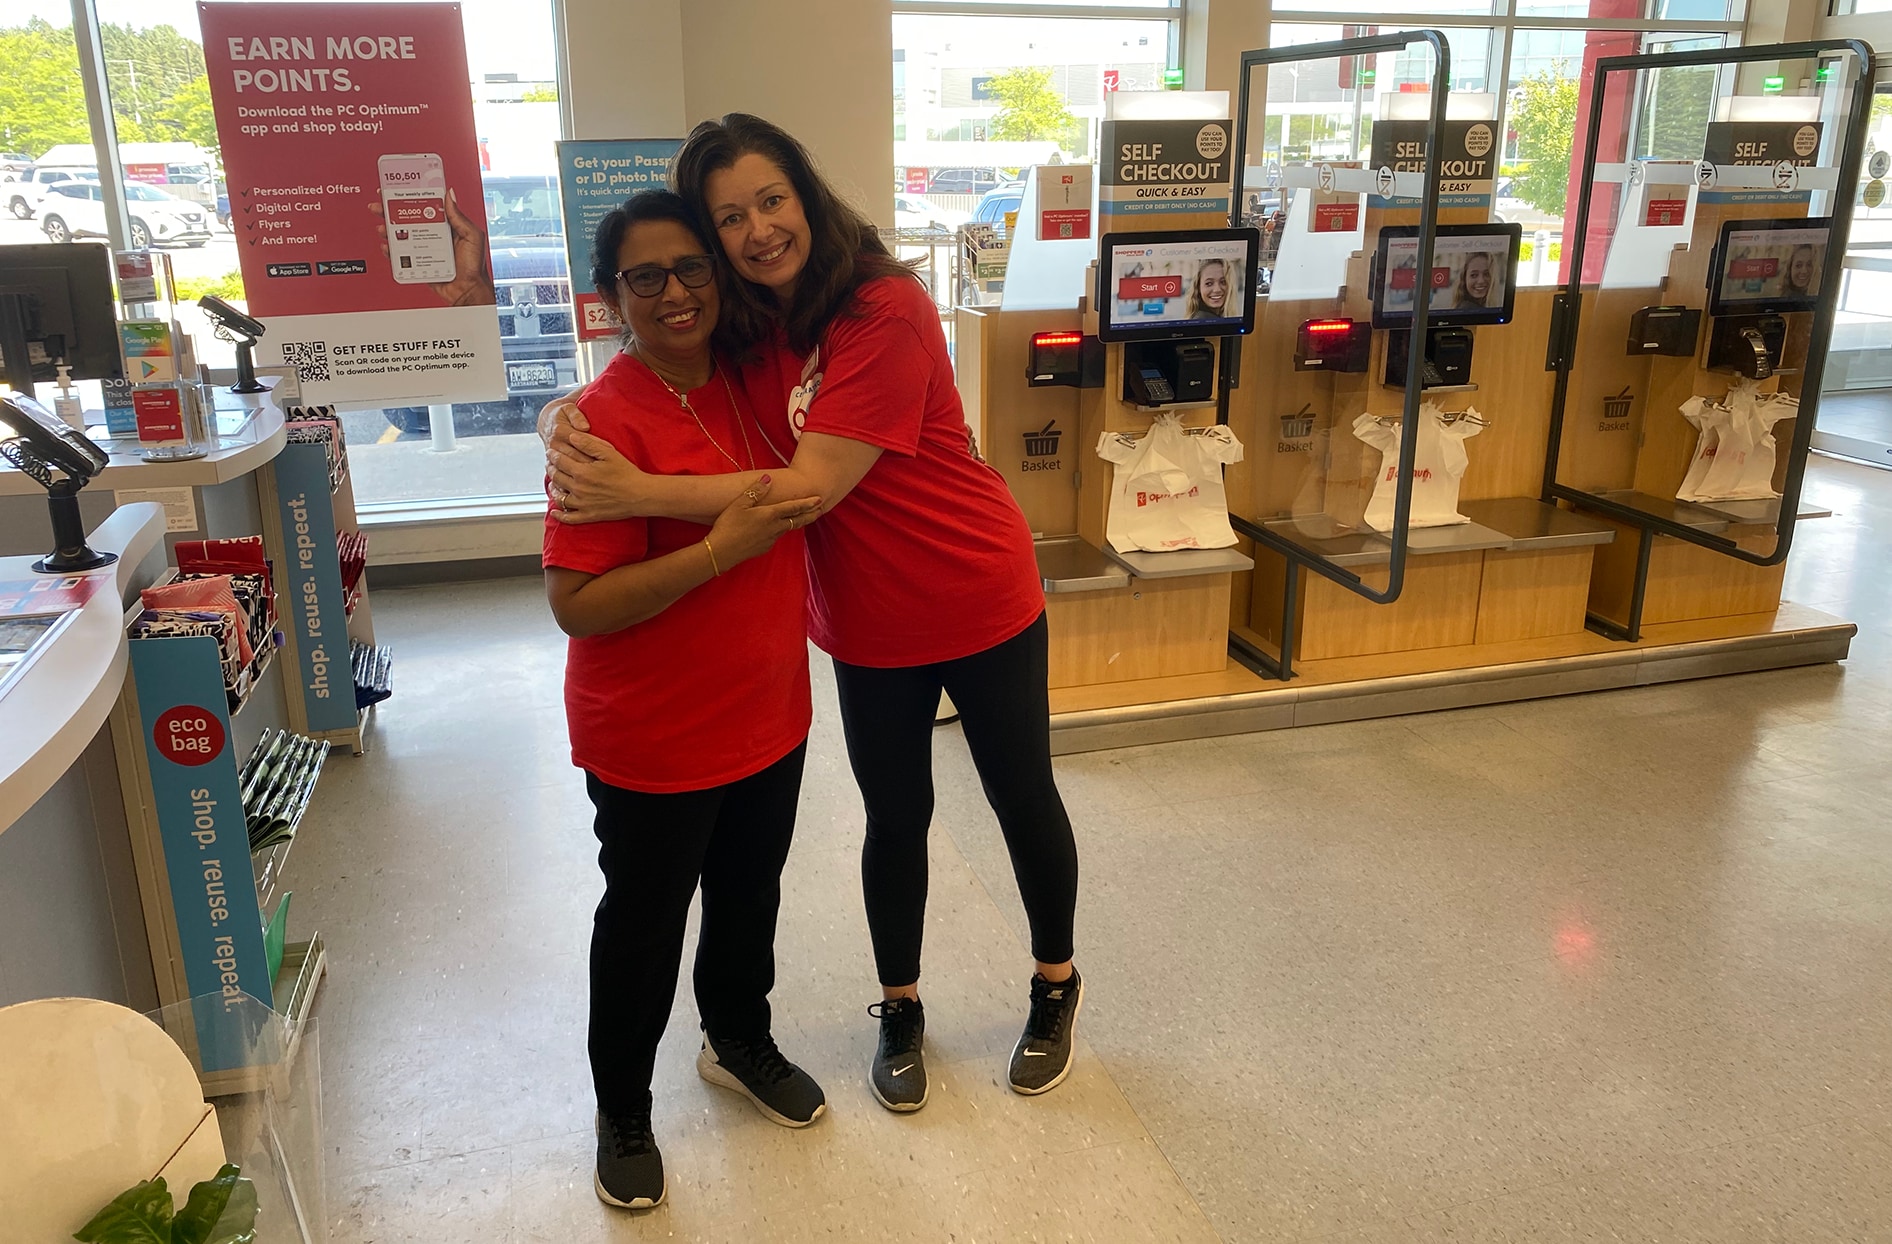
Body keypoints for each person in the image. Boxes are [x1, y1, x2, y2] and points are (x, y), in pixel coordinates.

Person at [545, 113, 1084, 1115]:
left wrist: (636, 492)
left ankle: (1053, 983)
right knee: (896, 815)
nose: (756, 230)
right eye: (730, 217)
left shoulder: (881, 307)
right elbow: (672, 388)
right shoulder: (754, 331)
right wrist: (566, 413)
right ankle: (898, 1006)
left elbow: (800, 491)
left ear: (807, 193)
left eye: (770, 200)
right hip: (864, 616)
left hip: (976, 588)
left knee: (1019, 794)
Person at [542, 190, 827, 1210]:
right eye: (644, 276)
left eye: (690, 267)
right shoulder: (598, 424)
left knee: (749, 895)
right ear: (610, 296)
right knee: (645, 921)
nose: (673, 292)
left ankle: (736, 1038)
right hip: (653, 731)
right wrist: (714, 552)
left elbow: (819, 476)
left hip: (769, 709)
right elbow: (575, 603)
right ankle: (621, 1104)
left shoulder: (761, 376)